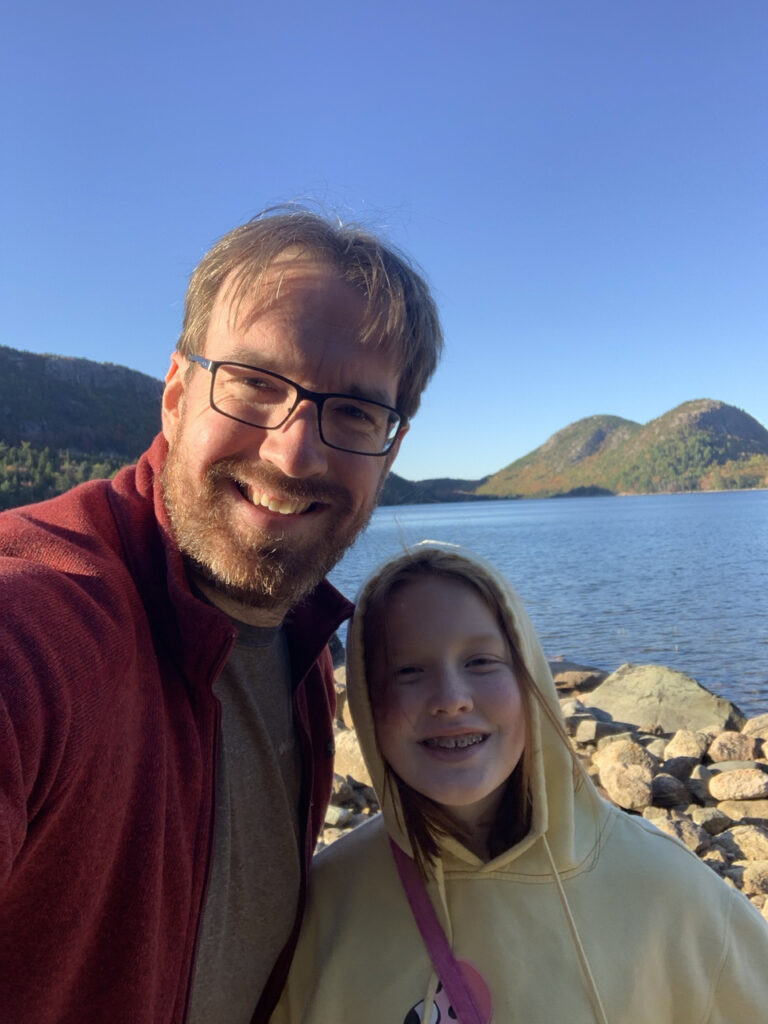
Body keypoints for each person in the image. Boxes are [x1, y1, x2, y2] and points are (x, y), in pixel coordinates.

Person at [0, 209, 442, 1023]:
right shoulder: (50, 610)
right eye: (255, 383)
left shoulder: (301, 648)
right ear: (176, 394)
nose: (292, 451)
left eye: (352, 413)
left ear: (391, 448)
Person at [272, 543, 768, 1023]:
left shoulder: (670, 891)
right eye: (407, 671)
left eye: (481, 662)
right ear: (367, 703)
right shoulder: (325, 907)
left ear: (531, 678)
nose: (451, 698)